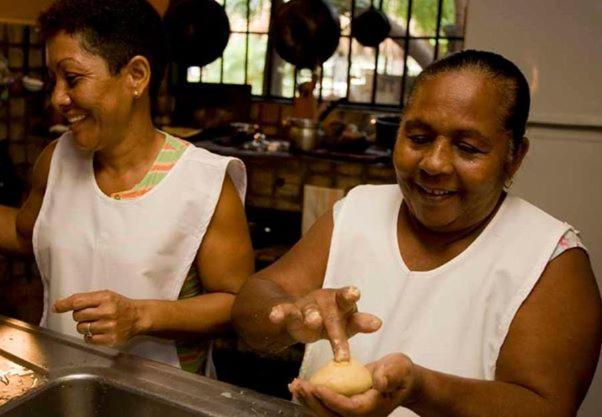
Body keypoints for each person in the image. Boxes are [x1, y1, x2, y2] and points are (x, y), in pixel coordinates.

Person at [232, 50, 602, 416]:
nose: (434, 163)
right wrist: (290, 318)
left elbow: (545, 408)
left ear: (514, 156)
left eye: (468, 148)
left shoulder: (550, 260)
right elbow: (252, 305)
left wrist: (420, 389)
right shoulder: (357, 212)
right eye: (419, 138)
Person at [0, 0, 254, 376]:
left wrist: (140, 316)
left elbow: (237, 305)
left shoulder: (203, 183)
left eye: (72, 78)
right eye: (54, 79)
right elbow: (29, 232)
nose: (57, 98)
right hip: (63, 386)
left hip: (164, 399)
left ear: (136, 75)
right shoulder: (56, 159)